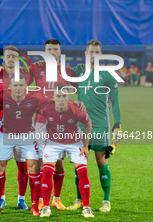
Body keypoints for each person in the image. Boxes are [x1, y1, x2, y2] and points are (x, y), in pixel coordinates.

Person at [68, 40, 121, 212]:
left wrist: (117, 125)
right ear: (86, 53)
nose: (94, 55)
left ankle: (106, 201)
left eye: (97, 52)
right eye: (91, 52)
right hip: (81, 125)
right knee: (80, 162)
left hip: (100, 126)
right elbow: (57, 75)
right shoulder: (77, 72)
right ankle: (78, 199)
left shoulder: (108, 75)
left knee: (102, 161)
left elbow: (116, 103)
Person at [27, 39, 77, 210]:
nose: (52, 52)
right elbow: (18, 81)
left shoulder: (67, 71)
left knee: (59, 161)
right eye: (49, 49)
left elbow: (84, 88)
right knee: (43, 160)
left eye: (55, 49)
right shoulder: (36, 67)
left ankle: (56, 198)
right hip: (41, 121)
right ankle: (42, 199)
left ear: (59, 52)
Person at [0, 45, 34, 210]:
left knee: (23, 165)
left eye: (14, 56)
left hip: (24, 127)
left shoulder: (26, 75)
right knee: (0, 165)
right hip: (2, 127)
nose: (11, 59)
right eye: (8, 56)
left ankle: (21, 199)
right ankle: (2, 199)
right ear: (4, 58)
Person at [39, 84, 94, 218]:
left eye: (64, 96)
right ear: (53, 97)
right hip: (53, 141)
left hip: (74, 142)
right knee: (46, 171)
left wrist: (85, 146)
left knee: (83, 171)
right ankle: (46, 207)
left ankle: (86, 208)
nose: (61, 99)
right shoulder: (46, 108)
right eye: (58, 96)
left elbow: (88, 123)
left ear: (68, 97)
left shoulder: (75, 109)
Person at [0, 74, 42, 216]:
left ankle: (34, 206)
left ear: (26, 86)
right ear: (10, 86)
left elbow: (53, 103)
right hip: (5, 134)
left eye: (21, 85)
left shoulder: (35, 96)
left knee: (33, 168)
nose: (18, 88)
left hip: (27, 135)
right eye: (15, 85)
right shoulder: (0, 95)